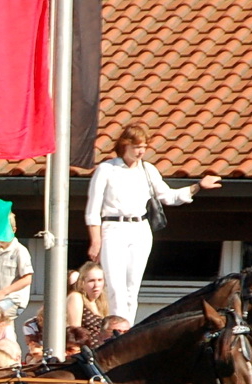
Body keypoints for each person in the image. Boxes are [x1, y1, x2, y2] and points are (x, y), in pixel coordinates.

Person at [85, 123, 223, 321]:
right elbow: (93, 208)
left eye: (144, 147)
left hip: (140, 229)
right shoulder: (107, 169)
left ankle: (127, 327)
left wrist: (197, 186)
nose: (141, 151)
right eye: (136, 147)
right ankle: (116, 326)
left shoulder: (147, 170)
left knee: (132, 287)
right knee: (116, 286)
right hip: (113, 228)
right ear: (125, 145)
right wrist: (95, 240)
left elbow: (169, 197)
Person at [0, 215, 33, 317]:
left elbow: (27, 279)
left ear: (13, 230)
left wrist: (3, 292)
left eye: (4, 231)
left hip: (13, 299)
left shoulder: (20, 251)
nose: (1, 235)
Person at [67, 261, 109, 343]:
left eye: (100, 280)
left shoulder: (101, 302)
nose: (96, 285)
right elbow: (75, 333)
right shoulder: (76, 297)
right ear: (82, 283)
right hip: (86, 348)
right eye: (91, 281)